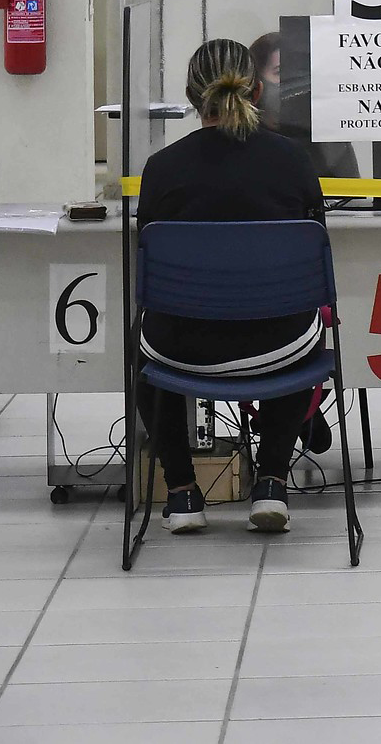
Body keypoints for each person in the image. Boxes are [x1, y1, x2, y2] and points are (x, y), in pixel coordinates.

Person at [137, 39, 328, 534]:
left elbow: (147, 256)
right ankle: (272, 484)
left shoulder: (161, 169)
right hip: (279, 343)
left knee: (142, 352)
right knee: (299, 324)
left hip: (180, 347)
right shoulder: (293, 160)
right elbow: (316, 248)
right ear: (258, 91)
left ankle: (182, 493)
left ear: (190, 97)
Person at [248, 31, 361, 180]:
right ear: (257, 82)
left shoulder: (327, 142)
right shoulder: (244, 139)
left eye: (297, 72)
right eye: (280, 72)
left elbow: (350, 190)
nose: (291, 80)